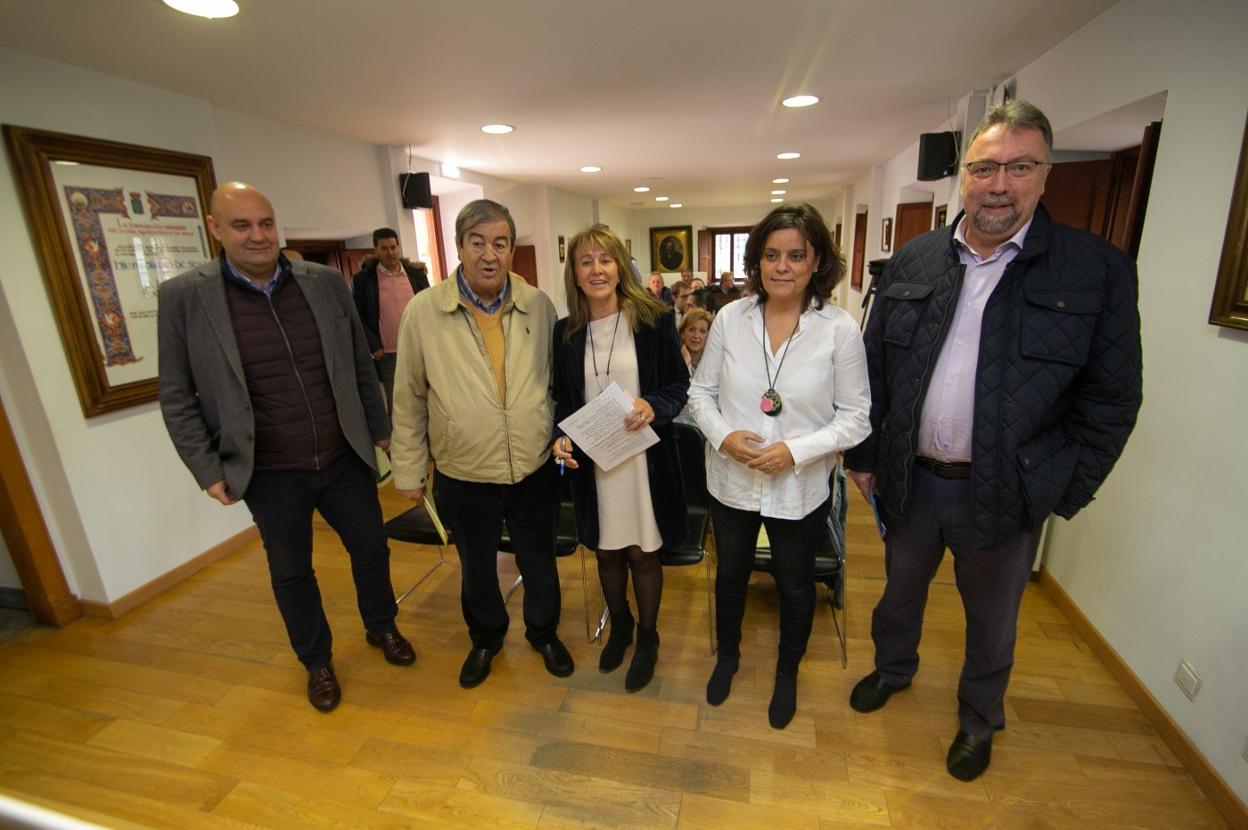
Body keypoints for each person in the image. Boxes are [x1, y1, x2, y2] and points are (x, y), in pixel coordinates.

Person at [843, 100, 1143, 782]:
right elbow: (876, 371)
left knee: (993, 620)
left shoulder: (1093, 271)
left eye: (1020, 166)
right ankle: (893, 669)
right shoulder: (915, 260)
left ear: (1044, 176)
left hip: (1006, 491)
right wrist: (864, 458)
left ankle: (979, 720)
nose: (999, 183)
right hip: (911, 481)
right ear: (964, 177)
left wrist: (1058, 488)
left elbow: (1112, 399)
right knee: (897, 594)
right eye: (984, 167)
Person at [158, 183, 414, 714]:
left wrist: (382, 430)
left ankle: (381, 626)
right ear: (215, 229)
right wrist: (206, 468)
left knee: (371, 550)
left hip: (344, 457)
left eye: (266, 223)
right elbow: (177, 395)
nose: (258, 235)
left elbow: (358, 366)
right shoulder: (185, 298)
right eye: (243, 225)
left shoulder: (323, 284)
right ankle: (316, 660)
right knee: (292, 571)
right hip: (271, 472)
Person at [688, 203, 871, 729]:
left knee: (794, 585)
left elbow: (857, 418)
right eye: (771, 255)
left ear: (817, 262)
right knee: (731, 575)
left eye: (796, 255)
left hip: (799, 485)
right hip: (732, 481)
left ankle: (787, 671)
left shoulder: (839, 330)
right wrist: (724, 437)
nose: (782, 266)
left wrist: (797, 449)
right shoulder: (729, 318)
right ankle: (728, 656)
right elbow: (700, 395)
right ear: (757, 261)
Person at [389, 198, 574, 689]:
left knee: (540, 561)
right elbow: (408, 396)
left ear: (512, 249)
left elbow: (556, 384)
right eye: (478, 242)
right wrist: (408, 471)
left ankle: (544, 633)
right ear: (459, 247)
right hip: (464, 471)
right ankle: (487, 638)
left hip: (533, 467)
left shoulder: (538, 304)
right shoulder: (424, 312)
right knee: (476, 568)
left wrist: (560, 437)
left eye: (500, 243)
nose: (489, 254)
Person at [550, 224, 689, 692]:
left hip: (642, 462)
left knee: (643, 555)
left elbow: (677, 386)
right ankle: (623, 626)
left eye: (604, 260)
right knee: (607, 552)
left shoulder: (654, 319)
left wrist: (654, 405)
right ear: (574, 271)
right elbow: (563, 401)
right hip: (596, 464)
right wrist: (559, 438)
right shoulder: (565, 332)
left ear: (619, 266)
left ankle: (648, 638)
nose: (596, 269)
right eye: (585, 261)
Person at [351, 227, 429, 413]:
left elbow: (429, 306)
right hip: (388, 354)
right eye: (384, 248)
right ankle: (402, 441)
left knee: (427, 395)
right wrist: (373, 345)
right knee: (398, 403)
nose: (390, 253)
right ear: (375, 250)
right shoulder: (364, 280)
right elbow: (356, 316)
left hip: (419, 348)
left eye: (393, 247)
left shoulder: (416, 275)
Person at [679, 307, 713, 376]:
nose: (696, 336)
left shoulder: (714, 363)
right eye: (691, 330)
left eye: (702, 331)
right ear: (683, 333)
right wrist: (685, 363)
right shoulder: (673, 360)